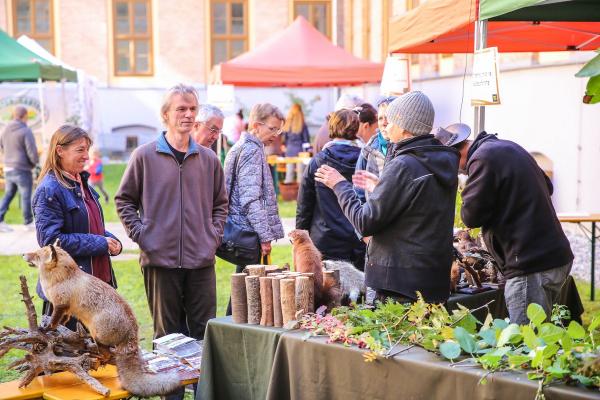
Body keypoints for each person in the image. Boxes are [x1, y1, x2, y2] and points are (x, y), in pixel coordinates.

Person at [115, 84, 227, 400]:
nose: (189, 114)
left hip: (201, 261)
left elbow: (221, 203)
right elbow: (124, 200)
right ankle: (172, 395)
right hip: (159, 262)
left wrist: (212, 236)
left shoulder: (208, 159)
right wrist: (144, 236)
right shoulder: (144, 156)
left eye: (192, 108)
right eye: (181, 108)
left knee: (203, 334)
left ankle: (203, 393)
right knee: (167, 336)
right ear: (166, 115)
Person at [314, 91, 459, 304]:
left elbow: (365, 221)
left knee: (399, 338)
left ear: (405, 126)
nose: (386, 126)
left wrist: (339, 185)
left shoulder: (404, 165)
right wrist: (382, 187)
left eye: (391, 121)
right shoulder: (440, 159)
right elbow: (415, 210)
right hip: (431, 278)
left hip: (401, 285)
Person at [435, 124, 574, 324]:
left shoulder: (482, 159)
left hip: (530, 264)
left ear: (455, 153)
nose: (461, 172)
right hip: (554, 257)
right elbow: (548, 186)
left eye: (455, 166)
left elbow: (470, 216)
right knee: (542, 340)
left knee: (525, 343)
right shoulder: (508, 147)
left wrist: (466, 188)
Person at [32, 125, 122, 329]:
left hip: (94, 287)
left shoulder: (81, 182)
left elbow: (88, 226)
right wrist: (101, 243)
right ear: (60, 151)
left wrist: (111, 240)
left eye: (87, 150)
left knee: (100, 356)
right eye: (80, 150)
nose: (86, 156)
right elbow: (51, 243)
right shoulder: (49, 189)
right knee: (72, 357)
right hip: (70, 294)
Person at [223, 103, 285, 314]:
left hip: (244, 230)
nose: (276, 134)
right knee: (246, 296)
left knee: (243, 290)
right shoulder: (251, 151)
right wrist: (265, 236)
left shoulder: (246, 147)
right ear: (257, 126)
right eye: (272, 128)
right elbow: (251, 199)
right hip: (247, 233)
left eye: (279, 129)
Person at [296, 109, 366, 271]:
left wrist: (301, 239)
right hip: (358, 238)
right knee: (359, 293)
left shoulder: (318, 162)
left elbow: (304, 206)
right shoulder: (366, 161)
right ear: (356, 128)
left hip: (325, 241)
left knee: (328, 292)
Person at [0, 106, 39, 232]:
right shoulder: (25, 130)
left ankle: (0, 220)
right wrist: (34, 163)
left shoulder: (4, 129)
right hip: (22, 169)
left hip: (8, 168)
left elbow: (1, 146)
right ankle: (28, 222)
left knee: (9, 194)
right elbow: (31, 151)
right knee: (26, 195)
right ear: (25, 116)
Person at [353, 101, 389, 203]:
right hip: (373, 215)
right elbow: (359, 192)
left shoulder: (405, 148)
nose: (384, 122)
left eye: (388, 117)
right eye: (380, 118)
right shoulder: (368, 149)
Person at [282, 103, 310, 183]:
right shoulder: (303, 124)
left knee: (289, 173)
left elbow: (284, 139)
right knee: (301, 175)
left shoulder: (287, 124)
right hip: (300, 152)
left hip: (289, 151)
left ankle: (288, 193)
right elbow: (306, 140)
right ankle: (300, 194)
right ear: (301, 111)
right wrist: (308, 151)